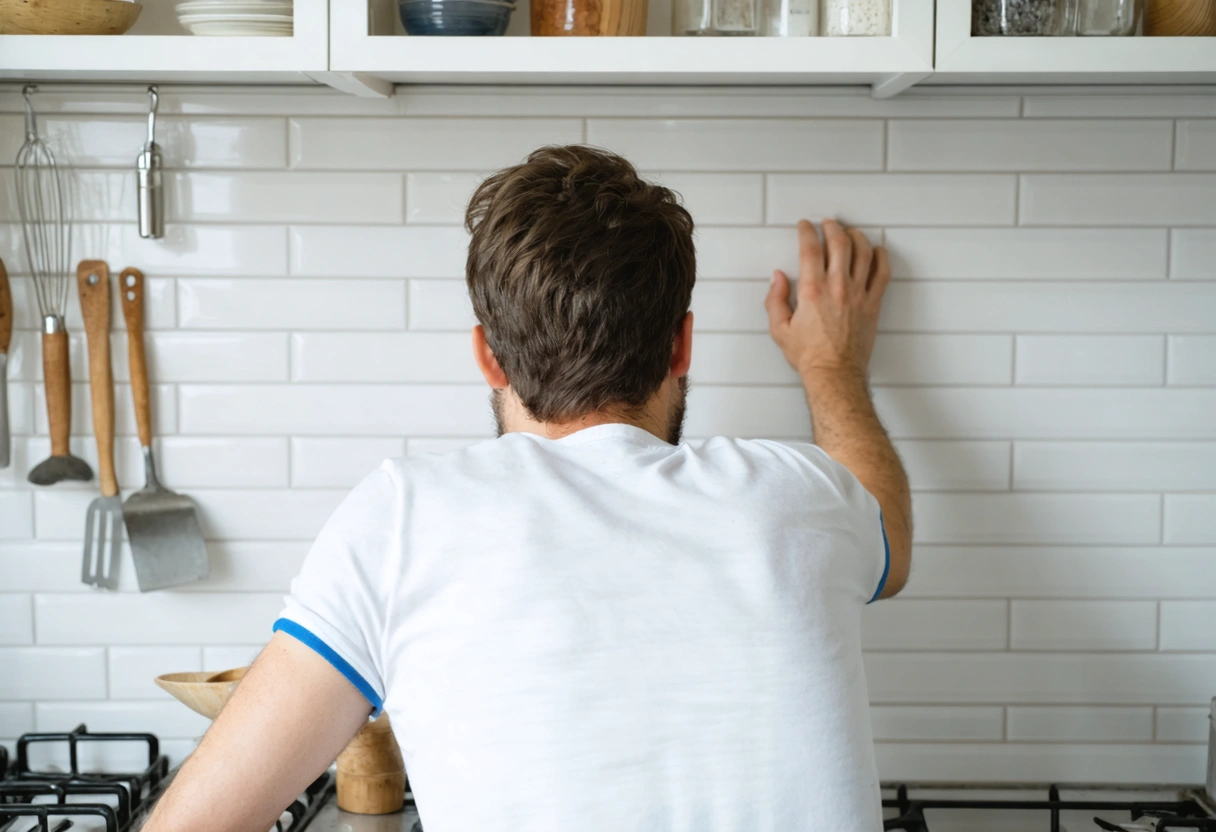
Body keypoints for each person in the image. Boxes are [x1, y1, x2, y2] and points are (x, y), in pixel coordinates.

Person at [143, 145, 911, 832]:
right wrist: (830, 365)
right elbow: (889, 533)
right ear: (681, 344)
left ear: (488, 357)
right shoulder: (802, 495)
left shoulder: (403, 518)